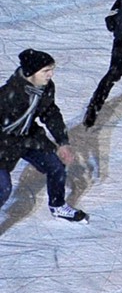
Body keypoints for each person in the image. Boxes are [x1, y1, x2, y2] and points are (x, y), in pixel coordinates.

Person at [0, 49, 85, 222]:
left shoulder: (45, 87)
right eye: (46, 71)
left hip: (27, 137)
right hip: (4, 144)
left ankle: (58, 206)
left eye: (51, 69)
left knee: (55, 166)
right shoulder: (8, 97)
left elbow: (49, 112)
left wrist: (62, 142)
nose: (50, 74)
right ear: (31, 73)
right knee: (3, 188)